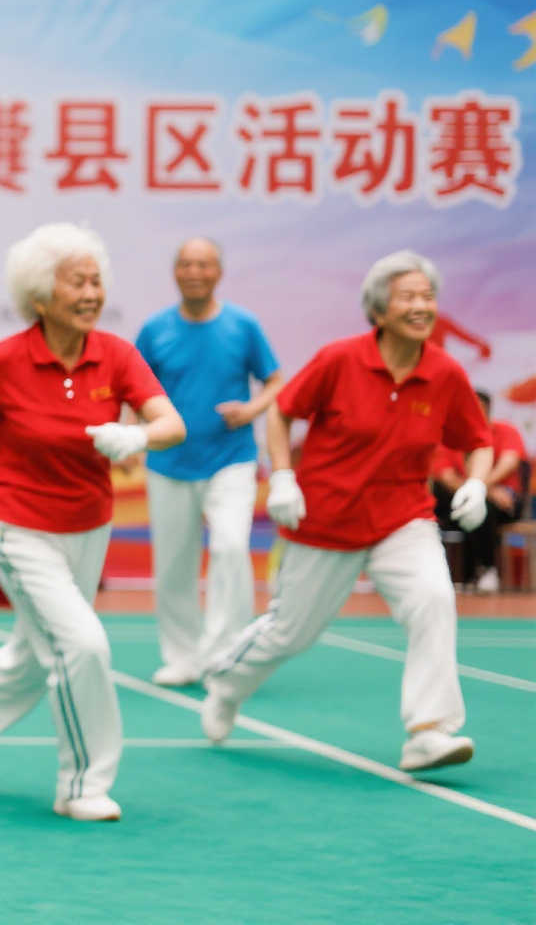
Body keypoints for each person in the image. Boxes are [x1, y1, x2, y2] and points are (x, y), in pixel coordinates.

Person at [0, 223, 183, 823]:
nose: (91, 292)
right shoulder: (4, 359)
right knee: (81, 644)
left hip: (88, 526)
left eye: (96, 280)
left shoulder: (117, 355)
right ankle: (83, 783)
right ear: (39, 296)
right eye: (76, 281)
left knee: (36, 653)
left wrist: (133, 433)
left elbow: (171, 424)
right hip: (15, 525)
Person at [204, 251, 493, 773]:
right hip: (327, 519)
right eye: (408, 297)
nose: (421, 306)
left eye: (427, 297)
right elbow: (283, 411)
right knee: (291, 632)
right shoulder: (339, 359)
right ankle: (226, 685)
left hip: (402, 517)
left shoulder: (445, 373)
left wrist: (475, 480)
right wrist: (285, 475)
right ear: (378, 311)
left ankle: (429, 731)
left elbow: (479, 440)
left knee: (434, 600)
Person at [133, 239, 285, 686]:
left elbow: (275, 381)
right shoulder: (155, 329)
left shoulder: (243, 326)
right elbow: (133, 386)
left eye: (204, 264)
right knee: (174, 563)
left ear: (218, 272)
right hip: (167, 461)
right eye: (185, 264)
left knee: (230, 547)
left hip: (231, 458)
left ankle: (225, 652)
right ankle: (182, 656)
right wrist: (129, 437)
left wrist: (250, 411)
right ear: (174, 272)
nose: (194, 271)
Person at [432, 391, 526, 591]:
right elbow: (445, 476)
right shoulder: (446, 437)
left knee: (484, 507)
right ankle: (464, 574)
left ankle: (486, 569)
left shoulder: (506, 431)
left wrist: (480, 489)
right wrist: (481, 490)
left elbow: (509, 462)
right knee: (469, 505)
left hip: (504, 504)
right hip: (460, 502)